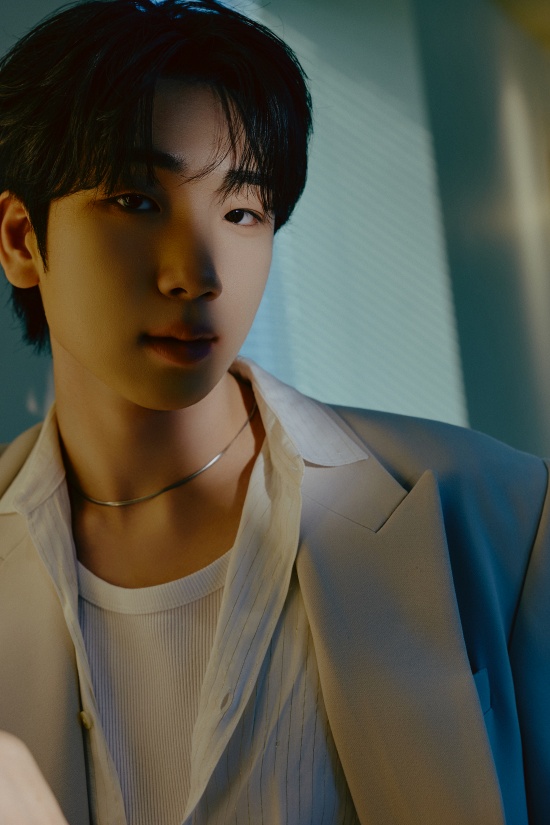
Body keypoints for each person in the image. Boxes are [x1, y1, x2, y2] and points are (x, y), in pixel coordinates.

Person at [0, 1, 547, 823]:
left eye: (241, 212)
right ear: (20, 240)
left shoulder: (503, 514)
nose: (199, 273)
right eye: (136, 201)